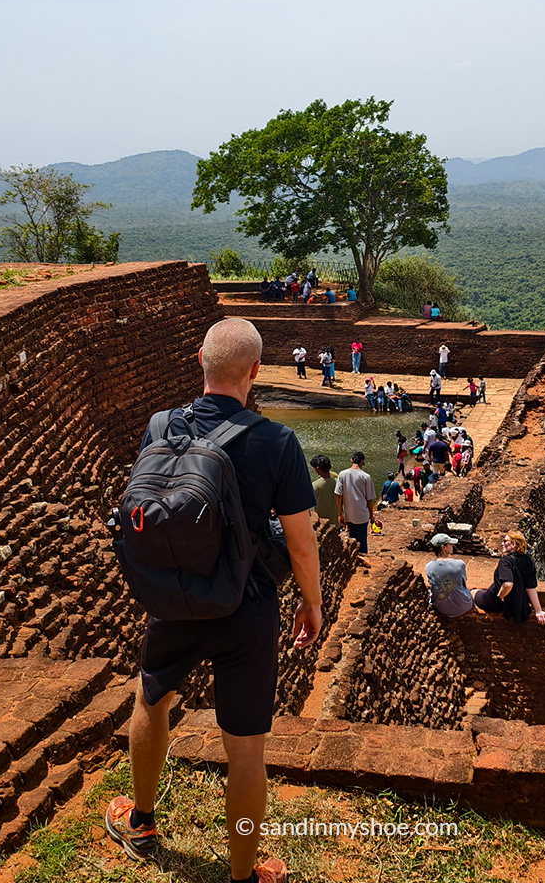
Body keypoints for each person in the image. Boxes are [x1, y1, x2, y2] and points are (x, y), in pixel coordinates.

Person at [106, 318, 321, 882]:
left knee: (151, 701)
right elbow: (300, 544)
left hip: (172, 598)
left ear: (200, 359)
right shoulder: (276, 441)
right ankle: (243, 874)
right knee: (246, 752)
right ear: (255, 371)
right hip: (245, 607)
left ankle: (142, 820)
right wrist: (311, 604)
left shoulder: (160, 427)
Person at [473, 531, 545, 625]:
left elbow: (508, 584)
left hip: (495, 599)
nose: (502, 543)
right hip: (517, 603)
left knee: (473, 593)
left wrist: (500, 597)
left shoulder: (505, 562)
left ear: (513, 544)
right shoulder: (527, 560)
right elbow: (530, 587)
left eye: (505, 541)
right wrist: (538, 610)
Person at [335, 451, 376, 555]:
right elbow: (369, 499)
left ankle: (352, 559)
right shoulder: (366, 476)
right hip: (362, 514)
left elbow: (338, 495)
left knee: (351, 539)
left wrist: (339, 514)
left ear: (351, 460)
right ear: (362, 462)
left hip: (349, 514)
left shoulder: (342, 474)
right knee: (362, 541)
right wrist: (371, 516)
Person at [425, 535, 474, 617]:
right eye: (450, 544)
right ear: (443, 547)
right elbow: (463, 582)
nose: (452, 546)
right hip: (463, 606)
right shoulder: (459, 564)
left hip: (441, 607)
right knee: (473, 592)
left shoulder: (428, 566)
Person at [310, 454, 337, 523]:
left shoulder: (314, 485)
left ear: (317, 468)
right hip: (337, 521)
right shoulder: (338, 482)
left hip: (322, 522)